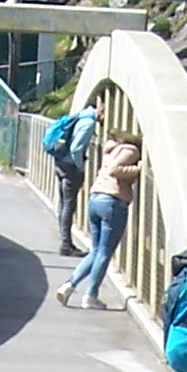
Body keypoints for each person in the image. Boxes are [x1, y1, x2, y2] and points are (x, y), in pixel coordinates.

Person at [57, 139, 142, 310]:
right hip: (113, 201)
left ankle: (69, 285)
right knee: (104, 252)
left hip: (95, 199)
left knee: (96, 250)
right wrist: (138, 168)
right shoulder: (131, 150)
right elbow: (115, 170)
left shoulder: (111, 150)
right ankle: (91, 295)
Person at [44, 104, 101, 254]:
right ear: (101, 109)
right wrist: (80, 167)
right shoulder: (89, 123)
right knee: (69, 204)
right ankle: (66, 244)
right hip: (70, 166)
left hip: (60, 162)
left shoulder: (80, 115)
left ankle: (65, 240)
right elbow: (76, 148)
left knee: (64, 203)